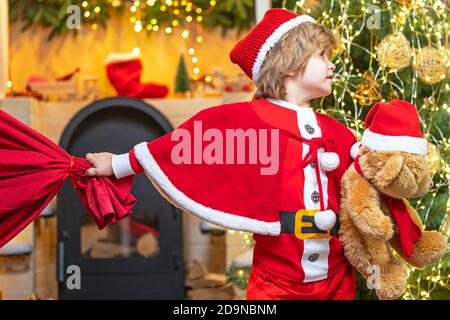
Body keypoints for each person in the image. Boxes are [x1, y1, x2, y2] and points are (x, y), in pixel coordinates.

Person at [85, 8, 357, 299]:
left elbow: (365, 189)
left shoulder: (337, 133)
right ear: (290, 63)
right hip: (277, 285)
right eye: (322, 55)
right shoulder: (248, 121)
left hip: (338, 279)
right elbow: (181, 146)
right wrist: (117, 164)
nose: (332, 66)